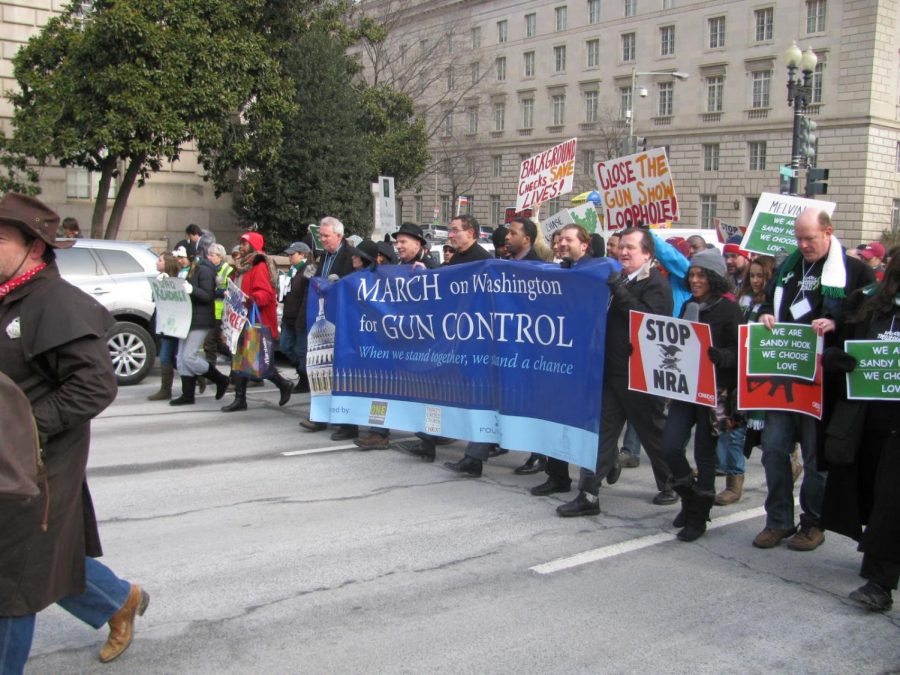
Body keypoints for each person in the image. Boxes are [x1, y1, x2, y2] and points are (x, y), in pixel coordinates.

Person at [0, 193, 149, 669]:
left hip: (35, 465)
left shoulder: (56, 302)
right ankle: (117, 601)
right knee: (43, 556)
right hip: (9, 456)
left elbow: (94, 387)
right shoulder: (8, 294)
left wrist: (23, 431)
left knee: (12, 580)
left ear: (34, 248)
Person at [753, 207, 874, 550]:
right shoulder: (789, 269)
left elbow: (871, 318)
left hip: (824, 382)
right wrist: (764, 314)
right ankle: (778, 520)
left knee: (815, 457)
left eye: (810, 238)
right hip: (784, 376)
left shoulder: (856, 271)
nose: (804, 245)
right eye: (799, 238)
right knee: (774, 449)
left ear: (828, 232)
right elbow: (768, 302)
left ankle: (813, 522)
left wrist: (839, 324)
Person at [553, 227, 676, 515]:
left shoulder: (656, 284)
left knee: (653, 433)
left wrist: (619, 291)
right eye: (621, 246)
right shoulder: (619, 279)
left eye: (630, 248)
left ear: (647, 253)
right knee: (602, 434)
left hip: (640, 375)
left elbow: (649, 323)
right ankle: (589, 494)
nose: (622, 252)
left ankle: (674, 483)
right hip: (612, 371)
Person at [820, 253, 900, 611]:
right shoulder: (871, 307)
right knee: (870, 493)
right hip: (868, 420)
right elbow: (842, 344)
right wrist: (834, 358)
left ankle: (881, 582)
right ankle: (877, 556)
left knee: (893, 497)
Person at [442, 216, 547, 476]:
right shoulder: (502, 266)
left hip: (525, 349)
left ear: (527, 239)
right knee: (488, 399)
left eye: (513, 233)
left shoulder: (540, 267)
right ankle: (474, 458)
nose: (507, 237)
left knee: (528, 403)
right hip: (499, 346)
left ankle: (540, 454)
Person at [663, 250, 743, 541]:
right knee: (670, 446)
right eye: (692, 274)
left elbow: (740, 352)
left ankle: (699, 515)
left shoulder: (729, 310)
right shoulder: (688, 306)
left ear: (713, 277)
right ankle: (687, 497)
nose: (695, 280)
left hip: (711, 393)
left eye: (701, 275)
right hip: (685, 387)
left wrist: (719, 356)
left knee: (704, 455)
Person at [715, 255, 776, 506]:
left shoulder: (773, 305)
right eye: (753, 275)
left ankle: (791, 460)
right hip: (736, 372)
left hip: (760, 376)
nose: (756, 280)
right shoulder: (741, 298)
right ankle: (733, 482)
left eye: (761, 275)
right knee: (732, 428)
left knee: (755, 432)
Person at [221, 232, 293, 412]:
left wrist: (250, 298)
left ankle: (283, 384)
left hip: (253, 321)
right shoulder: (241, 267)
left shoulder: (259, 266)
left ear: (254, 246)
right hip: (240, 320)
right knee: (239, 360)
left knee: (258, 362)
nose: (241, 246)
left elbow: (266, 294)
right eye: (241, 243)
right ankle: (240, 399)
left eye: (245, 243)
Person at [300, 217, 358, 434]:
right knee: (320, 368)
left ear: (339, 236)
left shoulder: (351, 257)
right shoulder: (323, 256)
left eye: (326, 236)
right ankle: (320, 415)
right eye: (321, 235)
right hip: (322, 319)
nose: (322, 240)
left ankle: (347, 423)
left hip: (343, 321)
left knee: (342, 372)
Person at [169, 251, 230, 405]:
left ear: (190, 257)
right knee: (181, 359)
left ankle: (220, 379)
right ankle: (188, 395)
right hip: (185, 319)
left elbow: (208, 295)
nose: (179, 261)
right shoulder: (184, 272)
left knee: (189, 356)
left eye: (182, 258)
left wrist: (192, 290)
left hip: (200, 319)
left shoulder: (203, 271)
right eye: (178, 258)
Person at [147, 252, 182, 401]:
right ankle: (198, 376)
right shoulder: (160, 278)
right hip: (163, 322)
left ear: (167, 264)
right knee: (173, 358)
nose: (156, 263)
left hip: (172, 324)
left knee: (166, 356)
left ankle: (165, 389)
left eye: (160, 260)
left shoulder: (176, 280)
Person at [280, 241, 314, 393]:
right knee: (285, 346)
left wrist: (301, 318)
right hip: (289, 316)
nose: (289, 257)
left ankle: (304, 378)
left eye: (292, 254)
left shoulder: (309, 269)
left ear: (303, 255)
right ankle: (302, 372)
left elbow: (307, 296)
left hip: (300, 318)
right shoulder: (292, 271)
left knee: (301, 350)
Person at [203, 243, 235, 365]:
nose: (209, 257)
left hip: (222, 311)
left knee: (210, 341)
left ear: (220, 257)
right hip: (210, 311)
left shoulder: (228, 270)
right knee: (217, 341)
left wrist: (214, 292)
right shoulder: (207, 269)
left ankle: (211, 373)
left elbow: (231, 290)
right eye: (208, 255)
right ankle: (236, 360)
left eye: (212, 255)